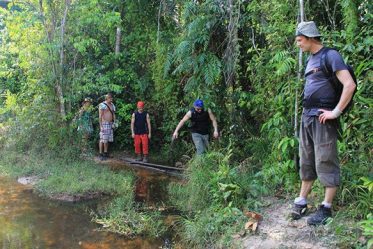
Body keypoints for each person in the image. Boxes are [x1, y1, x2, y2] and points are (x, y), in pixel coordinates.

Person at [292, 21, 356, 225]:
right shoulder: (310, 60)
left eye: (300, 40)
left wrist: (335, 112)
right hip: (307, 118)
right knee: (307, 159)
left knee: (325, 160)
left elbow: (349, 84)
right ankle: (302, 201)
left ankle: (326, 208)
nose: (298, 44)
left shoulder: (331, 55)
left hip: (322, 118)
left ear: (310, 38)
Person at [98, 93, 116, 160]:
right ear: (107, 98)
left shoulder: (112, 105)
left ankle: (105, 153)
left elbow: (113, 114)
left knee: (107, 139)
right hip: (104, 123)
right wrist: (101, 126)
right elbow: (100, 116)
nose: (111, 99)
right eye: (110, 98)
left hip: (110, 124)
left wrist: (114, 122)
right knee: (102, 139)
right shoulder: (102, 105)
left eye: (111, 98)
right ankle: (100, 154)